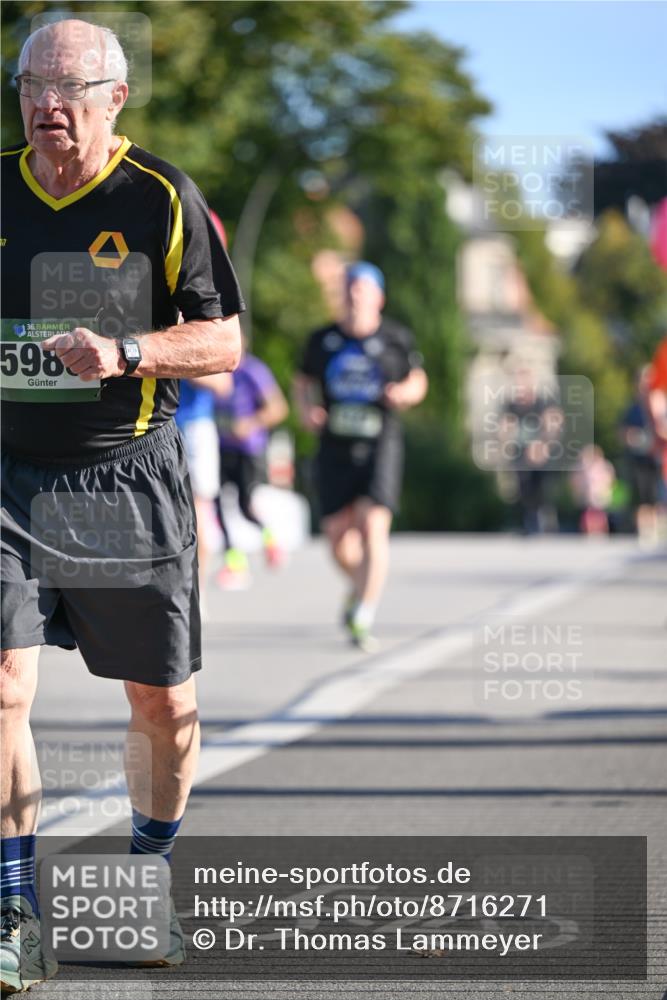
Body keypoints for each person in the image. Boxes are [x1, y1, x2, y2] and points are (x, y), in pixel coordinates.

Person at [0, 20, 243, 992]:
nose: (46, 105)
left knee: (163, 703)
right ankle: (14, 913)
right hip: (7, 474)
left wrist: (128, 352)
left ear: (116, 98)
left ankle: (148, 875)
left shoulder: (160, 197)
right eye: (31, 86)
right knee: (3, 688)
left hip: (123, 477)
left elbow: (222, 343)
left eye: (69, 88)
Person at [294, 262, 428, 651]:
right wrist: (306, 410)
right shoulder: (322, 339)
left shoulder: (395, 338)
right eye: (350, 289)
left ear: (378, 298)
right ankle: (360, 586)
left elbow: (418, 379)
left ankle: (363, 614)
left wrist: (405, 394)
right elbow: (302, 381)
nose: (355, 296)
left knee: (373, 525)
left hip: (379, 443)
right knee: (338, 539)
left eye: (363, 290)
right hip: (335, 445)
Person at [214, 344, 289, 589]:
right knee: (217, 503)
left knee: (245, 505)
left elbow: (278, 408)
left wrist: (251, 424)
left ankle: (270, 540)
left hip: (248, 449)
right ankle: (234, 562)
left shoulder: (253, 370)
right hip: (221, 447)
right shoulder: (214, 370)